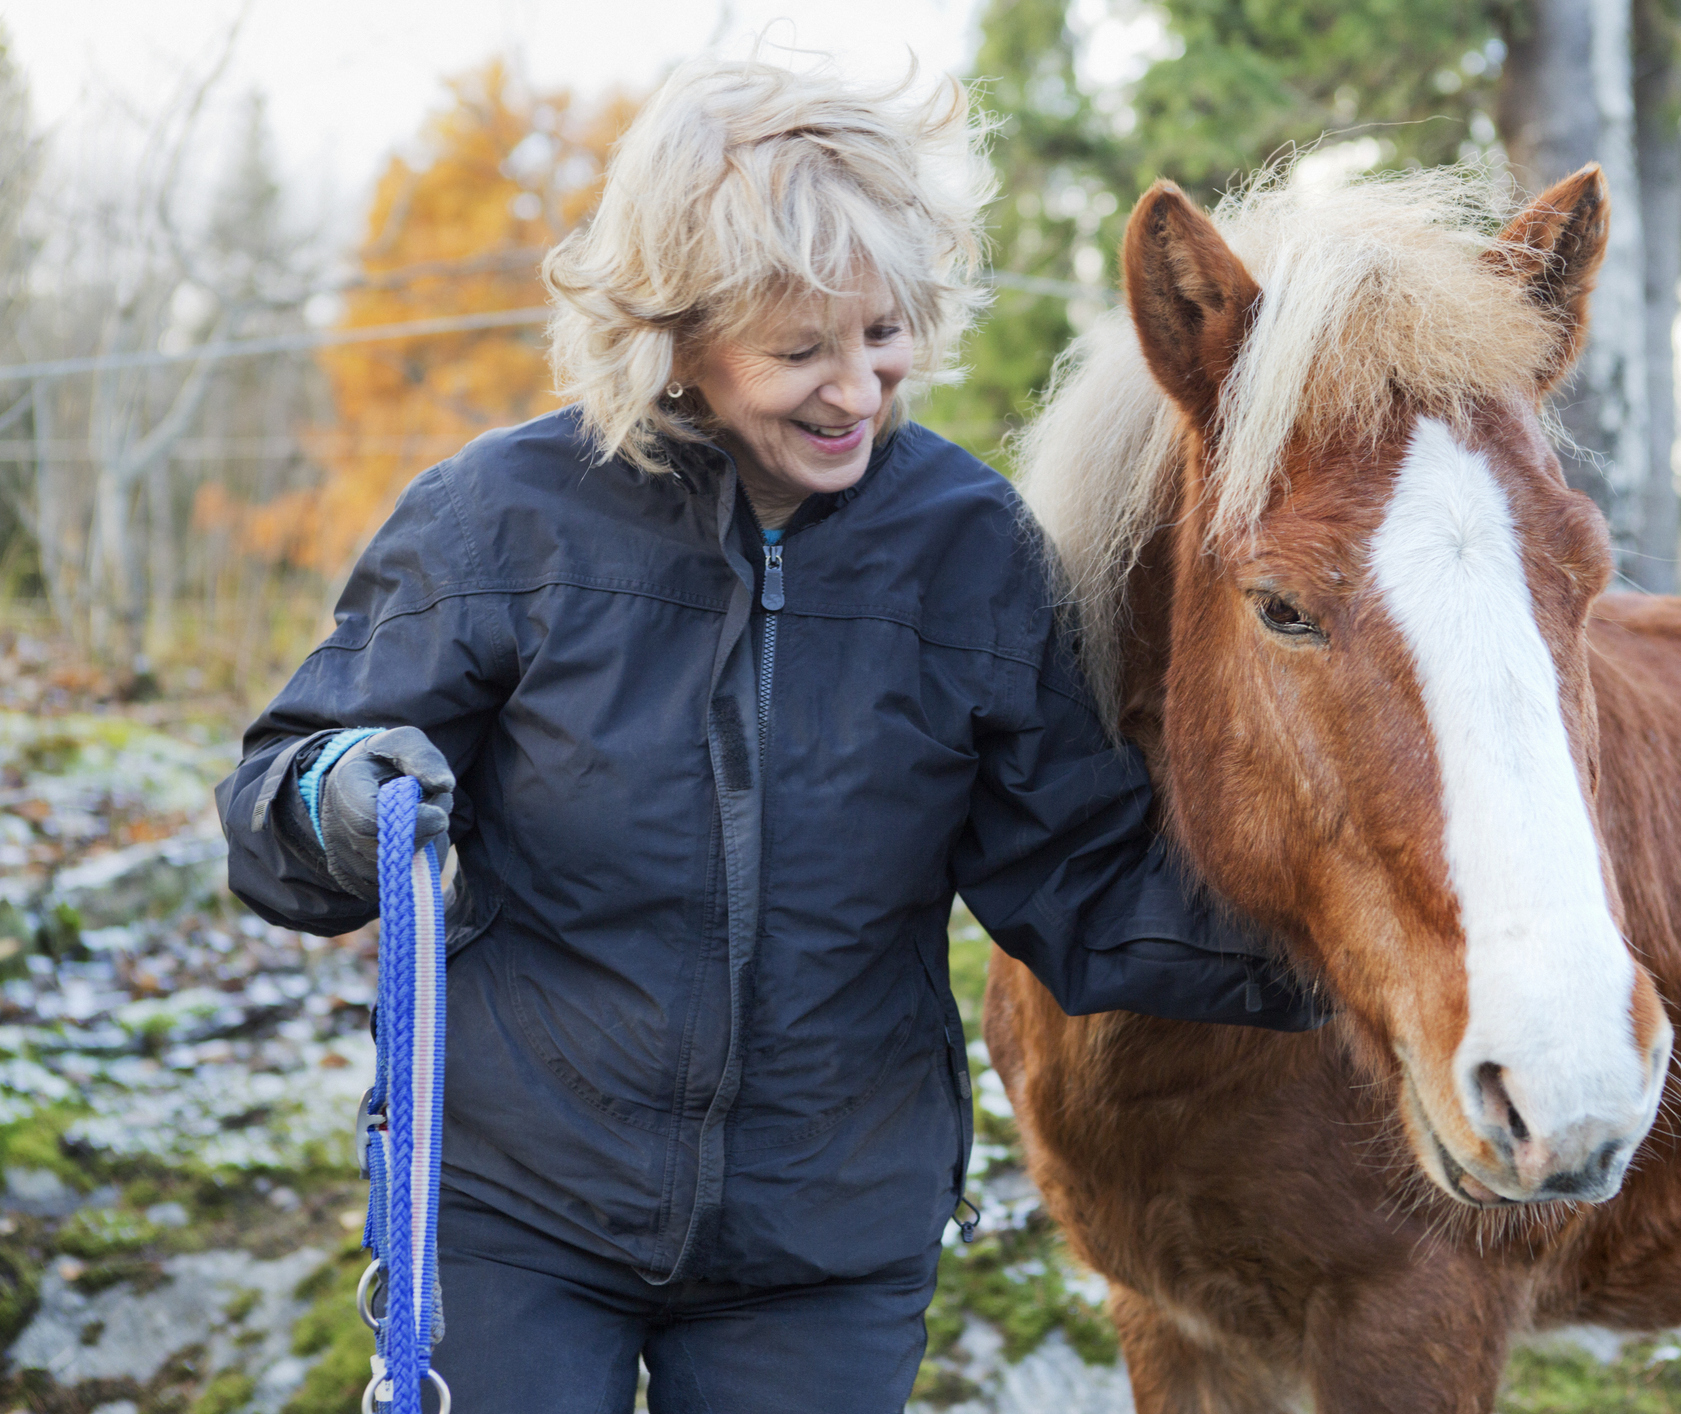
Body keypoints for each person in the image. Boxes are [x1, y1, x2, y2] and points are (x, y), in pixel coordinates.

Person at [215, 57, 1320, 1414]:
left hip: (826, 1239)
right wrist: (337, 796)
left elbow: (1079, 880)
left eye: (885, 333)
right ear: (675, 335)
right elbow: (279, 800)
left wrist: (1349, 954)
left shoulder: (966, 547)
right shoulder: (501, 519)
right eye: (800, 350)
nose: (856, 389)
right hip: (515, 1215)